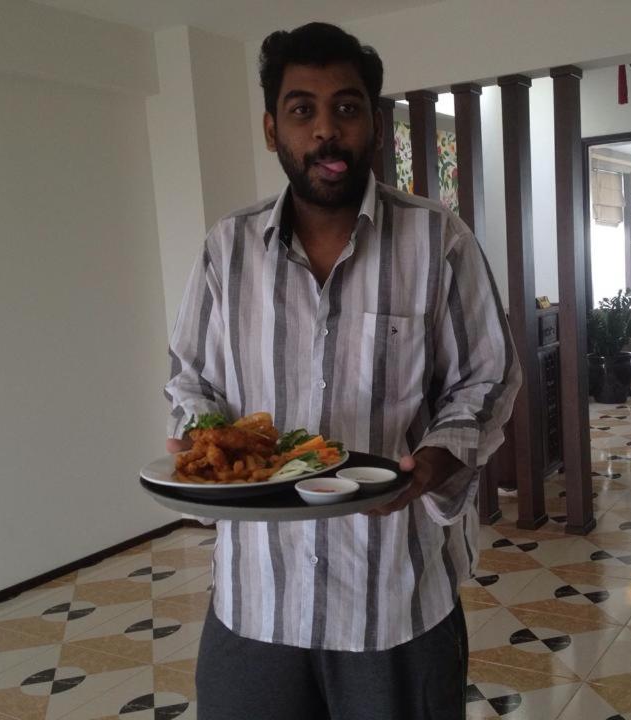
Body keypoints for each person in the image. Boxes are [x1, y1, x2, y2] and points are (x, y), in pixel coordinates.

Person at [164, 22, 520, 720]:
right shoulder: (226, 251)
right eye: (302, 110)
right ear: (272, 129)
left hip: (393, 598)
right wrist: (203, 443)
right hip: (256, 600)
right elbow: (190, 376)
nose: (326, 130)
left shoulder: (437, 240)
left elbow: (487, 378)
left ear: (376, 126)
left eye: (347, 108)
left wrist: (432, 464)